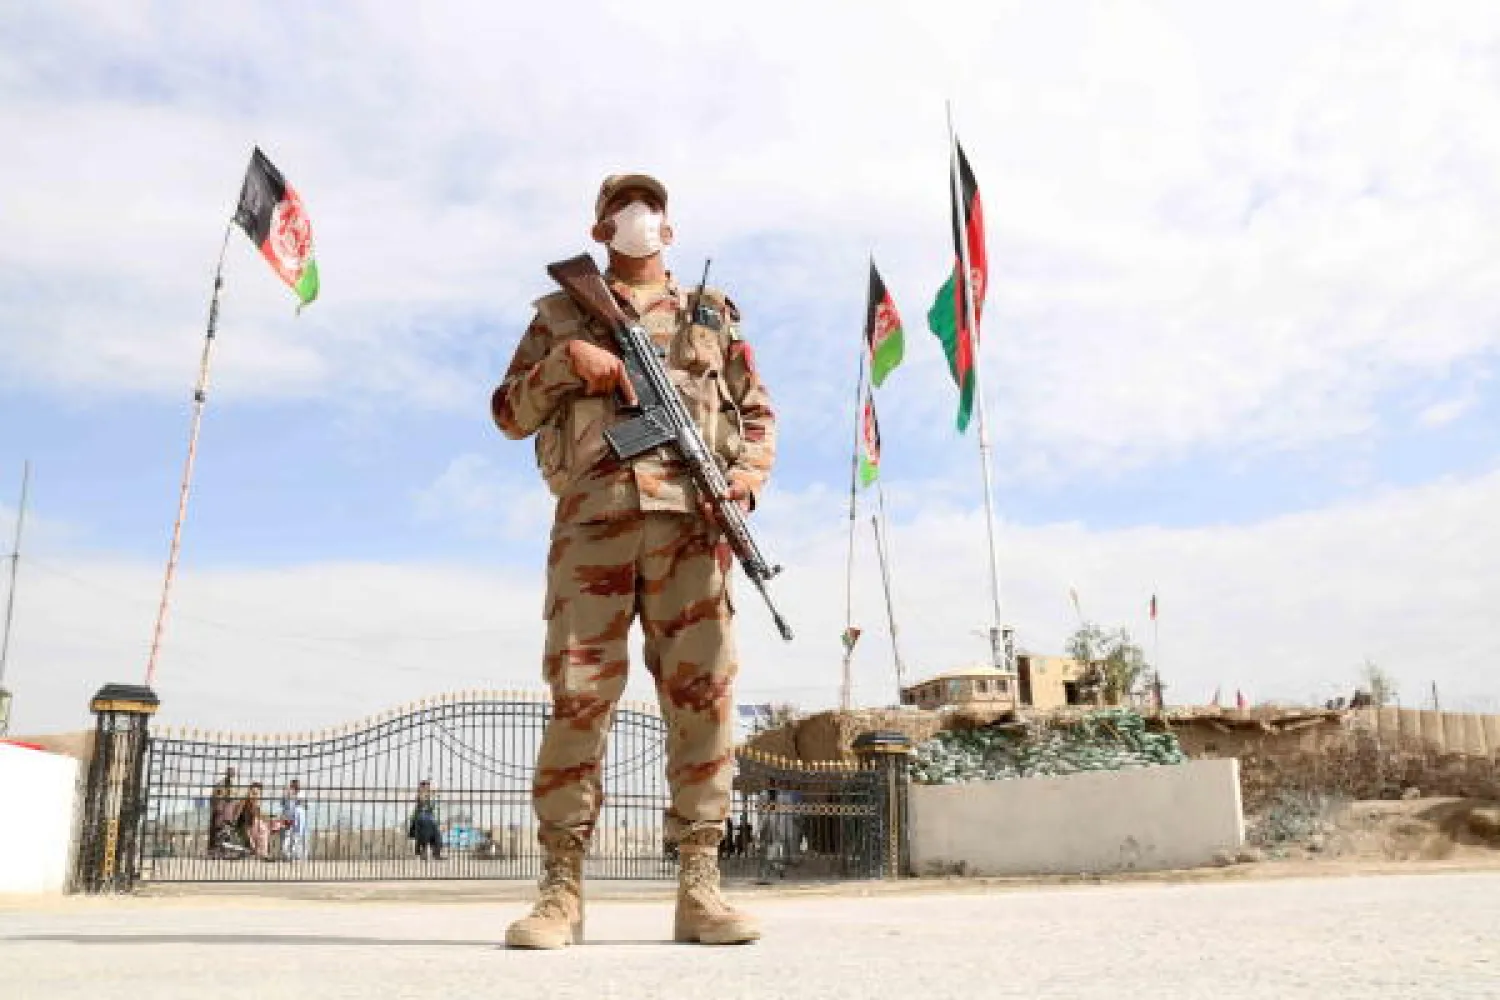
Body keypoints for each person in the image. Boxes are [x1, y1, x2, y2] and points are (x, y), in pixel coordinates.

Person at [492, 173, 776, 949]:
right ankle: (561, 891)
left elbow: (755, 411)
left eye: (650, 209)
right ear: (599, 227)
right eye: (623, 210)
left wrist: (746, 480)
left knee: (705, 702)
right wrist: (566, 364)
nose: (638, 220)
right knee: (580, 698)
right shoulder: (559, 314)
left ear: (670, 231)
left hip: (692, 527)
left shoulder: (711, 317)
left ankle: (699, 885)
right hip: (595, 526)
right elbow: (509, 414)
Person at [408, 779, 443, 861]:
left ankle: (436, 853)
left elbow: (432, 806)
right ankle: (423, 853)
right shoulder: (420, 795)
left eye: (428, 786)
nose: (428, 788)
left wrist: (433, 795)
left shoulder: (430, 796)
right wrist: (427, 794)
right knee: (424, 835)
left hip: (429, 818)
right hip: (421, 818)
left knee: (436, 835)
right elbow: (421, 800)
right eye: (426, 786)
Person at [237, 782, 272, 861]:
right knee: (263, 831)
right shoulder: (249, 798)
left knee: (263, 830)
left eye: (258, 791)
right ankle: (262, 853)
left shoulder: (250, 799)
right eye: (255, 792)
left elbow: (257, 813)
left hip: (249, 822)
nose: (258, 794)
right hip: (248, 822)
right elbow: (253, 812)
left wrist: (267, 818)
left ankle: (260, 853)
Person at [207, 766, 237, 858]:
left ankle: (225, 851)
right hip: (220, 811)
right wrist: (217, 807)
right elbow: (214, 798)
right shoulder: (220, 784)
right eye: (230, 773)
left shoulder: (233, 786)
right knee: (217, 831)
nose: (232, 775)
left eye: (233, 773)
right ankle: (215, 851)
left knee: (226, 832)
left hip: (228, 813)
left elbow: (233, 799)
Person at [279, 779, 308, 862]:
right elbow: (282, 804)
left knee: (297, 836)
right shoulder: (287, 794)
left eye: (296, 785)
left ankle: (297, 856)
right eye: (293, 785)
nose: (295, 787)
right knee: (286, 837)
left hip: (298, 817)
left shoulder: (302, 794)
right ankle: (287, 856)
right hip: (288, 817)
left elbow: (305, 806)